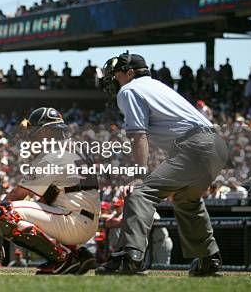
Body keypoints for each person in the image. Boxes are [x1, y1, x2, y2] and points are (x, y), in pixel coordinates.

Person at [98, 52, 229, 276]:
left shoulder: (129, 89)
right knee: (186, 199)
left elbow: (138, 135)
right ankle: (209, 260)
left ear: (130, 73)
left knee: (140, 193)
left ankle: (130, 258)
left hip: (195, 145)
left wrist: (139, 174)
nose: (114, 80)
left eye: (116, 75)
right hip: (216, 145)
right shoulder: (156, 86)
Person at [0, 107, 99, 275]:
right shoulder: (76, 149)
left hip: (72, 220)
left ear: (45, 130)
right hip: (86, 223)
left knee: (4, 213)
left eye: (34, 130)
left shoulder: (53, 155)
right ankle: (75, 255)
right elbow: (49, 198)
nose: (32, 135)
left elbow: (15, 196)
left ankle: (63, 259)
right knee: (22, 219)